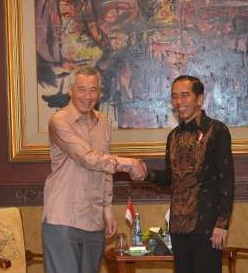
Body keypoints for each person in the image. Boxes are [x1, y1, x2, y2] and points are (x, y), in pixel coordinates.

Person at [42, 65, 146, 273]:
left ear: (99, 92)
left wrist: (107, 210)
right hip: (64, 217)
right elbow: (88, 158)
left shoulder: (102, 121)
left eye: (93, 90)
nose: (88, 96)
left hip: (93, 220)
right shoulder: (59, 121)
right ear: (70, 90)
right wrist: (129, 163)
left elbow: (104, 167)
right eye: (82, 89)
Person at [145, 75, 234, 273]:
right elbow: (170, 178)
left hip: (207, 226)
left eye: (184, 95)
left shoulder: (217, 130)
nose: (178, 102)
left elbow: (226, 180)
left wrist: (222, 224)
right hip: (177, 227)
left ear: (200, 99)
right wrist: (145, 173)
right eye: (174, 96)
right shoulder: (173, 136)